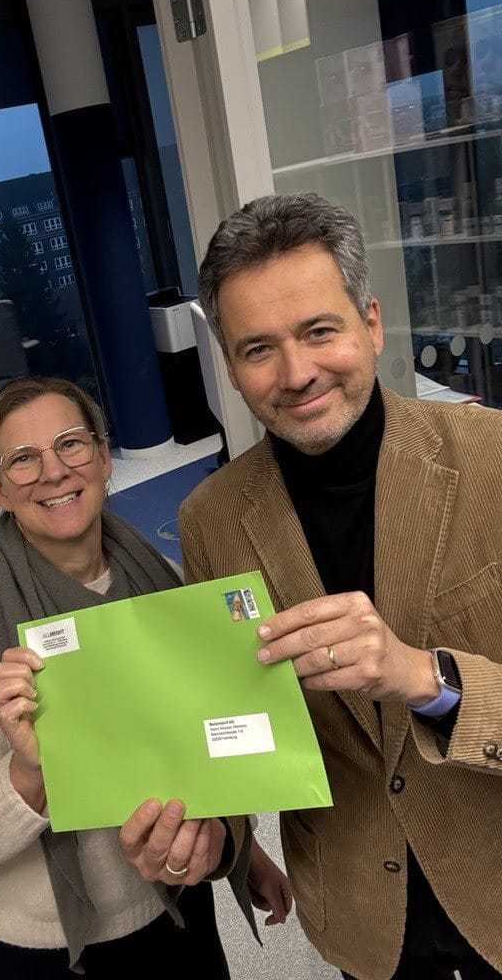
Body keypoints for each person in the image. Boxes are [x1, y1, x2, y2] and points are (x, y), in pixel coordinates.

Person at [172, 193, 502, 980]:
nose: (296, 373)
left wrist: (427, 678)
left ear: (372, 324)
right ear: (230, 367)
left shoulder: (492, 459)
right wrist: (212, 837)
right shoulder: (210, 520)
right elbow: (232, 731)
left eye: (320, 331)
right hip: (361, 917)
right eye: (258, 349)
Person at [0, 375, 289, 980]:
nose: (54, 471)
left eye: (70, 444)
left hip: (179, 910)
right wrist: (31, 769)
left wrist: (242, 849)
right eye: (23, 460)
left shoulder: (163, 580)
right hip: (48, 951)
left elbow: (197, 741)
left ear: (103, 457)